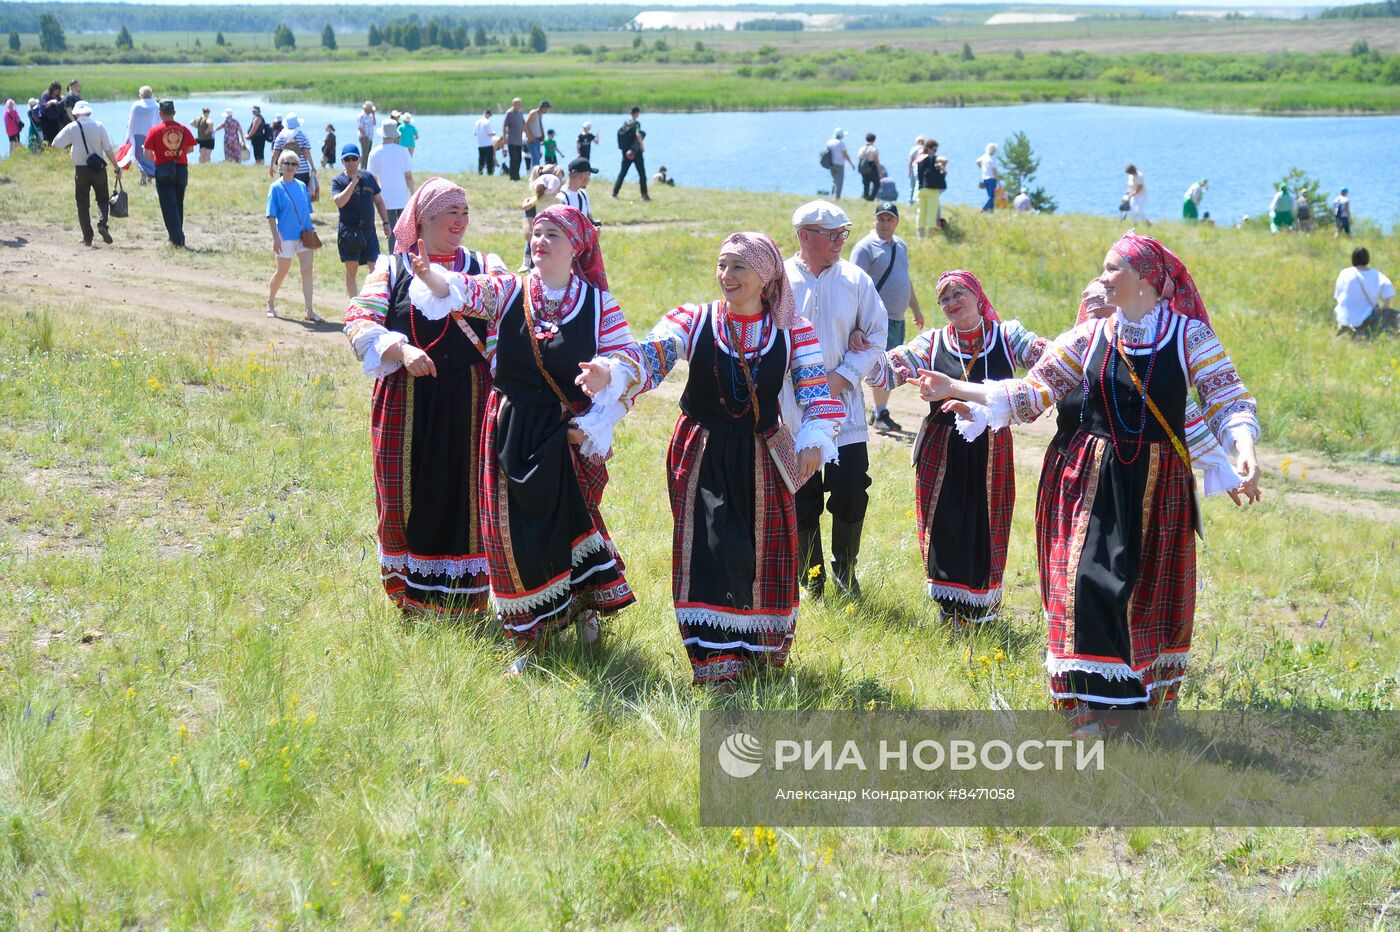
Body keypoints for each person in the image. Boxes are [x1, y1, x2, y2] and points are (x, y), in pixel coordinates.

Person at [919, 233, 1260, 736]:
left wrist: (1244, 448)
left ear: (1145, 278)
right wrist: (957, 387)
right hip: (1094, 477)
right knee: (1085, 582)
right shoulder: (1092, 336)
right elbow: (1034, 391)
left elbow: (1226, 398)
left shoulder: (1188, 337)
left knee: (1146, 589)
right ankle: (1086, 707)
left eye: (1110, 269)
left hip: (1159, 483)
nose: (1101, 280)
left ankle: (1135, 704)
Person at [419, 204, 646, 667]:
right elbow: (465, 292)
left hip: (569, 436)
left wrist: (607, 372)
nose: (539, 241)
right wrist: (432, 278)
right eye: (536, 233)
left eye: (551, 236)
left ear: (575, 247)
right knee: (508, 533)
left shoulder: (599, 303)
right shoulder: (510, 289)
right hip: (511, 427)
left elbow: (629, 360)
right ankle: (526, 636)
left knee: (575, 525)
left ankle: (585, 609)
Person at [627, 233, 844, 688]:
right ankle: (715, 659)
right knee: (710, 546)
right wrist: (618, 371)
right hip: (702, 449)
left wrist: (814, 439)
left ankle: (758, 655)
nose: (726, 276)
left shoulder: (792, 331)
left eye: (738, 267)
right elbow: (653, 352)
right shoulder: (695, 318)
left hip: (763, 455)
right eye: (722, 265)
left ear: (764, 278)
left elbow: (816, 395)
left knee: (762, 550)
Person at [342, 177, 509, 618]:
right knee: (405, 496)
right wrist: (400, 348)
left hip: (471, 400)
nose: (460, 221)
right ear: (424, 219)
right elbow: (358, 318)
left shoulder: (483, 264)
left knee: (467, 495)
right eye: (450, 213)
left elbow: (510, 314)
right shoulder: (392, 268)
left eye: (464, 212)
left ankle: (466, 601)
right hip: (407, 399)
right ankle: (410, 599)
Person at [867, 271, 1047, 627]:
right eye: (944, 299)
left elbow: (1050, 366)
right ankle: (950, 608)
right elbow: (886, 374)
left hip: (991, 444)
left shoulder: (1007, 336)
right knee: (943, 520)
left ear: (977, 295)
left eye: (958, 294)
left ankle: (983, 607)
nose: (951, 303)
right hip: (943, 445)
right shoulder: (932, 342)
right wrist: (863, 345)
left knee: (987, 520)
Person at [785, 200, 887, 598]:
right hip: (792, 410)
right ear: (805, 236)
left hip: (843, 410)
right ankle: (810, 578)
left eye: (844, 234)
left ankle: (845, 571)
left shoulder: (856, 280)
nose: (840, 242)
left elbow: (876, 336)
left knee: (850, 489)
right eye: (832, 235)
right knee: (801, 494)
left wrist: (842, 376)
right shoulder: (779, 280)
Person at [851, 202, 924, 433]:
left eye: (889, 219)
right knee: (878, 366)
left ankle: (879, 410)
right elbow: (852, 285)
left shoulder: (900, 246)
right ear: (874, 220)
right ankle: (879, 413)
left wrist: (916, 309)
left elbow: (905, 280)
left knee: (889, 365)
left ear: (896, 222)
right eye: (880, 219)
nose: (884, 223)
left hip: (897, 318)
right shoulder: (865, 248)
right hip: (875, 319)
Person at [51, 101, 121, 248]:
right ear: (89, 113)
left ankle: (87, 238)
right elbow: (108, 149)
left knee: (82, 204)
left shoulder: (72, 127)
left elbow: (55, 144)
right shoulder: (99, 126)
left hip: (81, 170)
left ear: (76, 114)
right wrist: (116, 166)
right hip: (99, 169)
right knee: (102, 199)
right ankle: (102, 224)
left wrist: (72, 146)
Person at [265, 150, 323, 323]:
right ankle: (270, 302)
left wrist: (310, 230)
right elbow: (271, 215)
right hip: (285, 236)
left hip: (304, 235)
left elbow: (307, 210)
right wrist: (276, 238)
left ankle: (309, 310)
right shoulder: (275, 187)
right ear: (280, 165)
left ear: (298, 167)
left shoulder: (301, 186)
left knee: (307, 271)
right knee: (282, 271)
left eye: (293, 164)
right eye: (286, 163)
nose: (290, 167)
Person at [331, 143, 391, 297]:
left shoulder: (369, 177)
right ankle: (354, 304)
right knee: (351, 271)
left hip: (369, 232)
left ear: (359, 159)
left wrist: (385, 223)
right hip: (350, 233)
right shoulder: (338, 181)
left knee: (375, 270)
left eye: (354, 158)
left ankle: (373, 302)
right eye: (347, 159)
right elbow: (339, 202)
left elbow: (378, 201)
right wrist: (353, 183)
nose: (351, 162)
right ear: (342, 161)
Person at [143, 99, 196, 247]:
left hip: (163, 169)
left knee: (168, 205)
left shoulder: (154, 130)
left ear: (160, 114)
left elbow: (147, 154)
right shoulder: (184, 129)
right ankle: (176, 236)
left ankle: (177, 239)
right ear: (174, 113)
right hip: (181, 169)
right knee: (178, 203)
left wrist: (160, 156)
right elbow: (191, 149)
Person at [1333, 246, 1395, 338]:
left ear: (1353, 259)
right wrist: (1385, 309)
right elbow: (1388, 288)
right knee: (1386, 313)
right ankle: (1370, 334)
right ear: (1367, 259)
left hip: (1343, 317)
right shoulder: (1376, 275)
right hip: (1365, 318)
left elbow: (1337, 296)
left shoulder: (1344, 273)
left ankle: (1348, 331)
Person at [367, 118, 414, 227]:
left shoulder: (374, 153)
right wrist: (413, 193)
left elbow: (372, 178)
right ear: (395, 134)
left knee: (391, 229)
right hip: (402, 197)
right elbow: (408, 176)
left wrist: (374, 196)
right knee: (403, 230)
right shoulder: (403, 151)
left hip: (384, 198)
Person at [520, 165, 564, 271]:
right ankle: (526, 261)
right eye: (559, 180)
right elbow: (528, 234)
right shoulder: (533, 201)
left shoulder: (558, 199)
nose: (561, 184)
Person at [270, 113, 317, 199]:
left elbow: (275, 152)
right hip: (302, 169)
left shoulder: (281, 135)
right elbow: (307, 152)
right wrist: (312, 166)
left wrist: (271, 166)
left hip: (285, 168)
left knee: (286, 193)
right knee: (302, 193)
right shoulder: (302, 135)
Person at [612, 106, 649, 201]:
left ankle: (615, 193)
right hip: (635, 152)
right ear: (636, 113)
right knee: (642, 174)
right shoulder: (636, 123)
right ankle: (644, 195)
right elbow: (638, 135)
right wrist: (642, 147)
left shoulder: (626, 123)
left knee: (622, 173)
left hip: (625, 152)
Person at [125, 86, 161, 181]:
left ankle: (144, 174)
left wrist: (128, 135)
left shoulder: (136, 105)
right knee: (150, 156)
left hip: (138, 134)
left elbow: (130, 120)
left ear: (141, 95)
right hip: (151, 134)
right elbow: (159, 120)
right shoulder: (156, 105)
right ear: (151, 94)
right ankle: (149, 176)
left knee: (139, 157)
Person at [912, 139, 944, 238]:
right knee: (932, 213)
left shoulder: (918, 159)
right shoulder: (932, 158)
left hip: (921, 189)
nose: (935, 152)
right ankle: (931, 235)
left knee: (921, 213)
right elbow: (945, 160)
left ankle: (920, 236)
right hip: (932, 189)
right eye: (934, 150)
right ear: (929, 148)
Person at [558, 156, 597, 221]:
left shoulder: (583, 194)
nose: (589, 179)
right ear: (583, 176)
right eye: (589, 174)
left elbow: (589, 220)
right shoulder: (561, 197)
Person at [823, 128, 855, 200]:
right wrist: (851, 164)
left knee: (834, 180)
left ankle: (833, 195)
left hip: (831, 164)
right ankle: (837, 198)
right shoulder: (841, 144)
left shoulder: (829, 142)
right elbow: (845, 155)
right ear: (841, 136)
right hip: (839, 164)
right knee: (840, 181)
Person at [503, 98, 526, 181]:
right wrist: (505, 137)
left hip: (519, 140)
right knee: (513, 158)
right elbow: (504, 125)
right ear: (513, 104)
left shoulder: (520, 112)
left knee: (519, 158)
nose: (519, 105)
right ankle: (512, 176)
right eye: (517, 104)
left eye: (520, 104)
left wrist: (528, 135)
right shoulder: (509, 113)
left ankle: (517, 175)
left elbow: (524, 125)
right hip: (512, 140)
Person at [524, 99, 549, 170]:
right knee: (535, 158)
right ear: (543, 107)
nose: (547, 110)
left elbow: (540, 126)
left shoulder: (540, 115)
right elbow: (526, 125)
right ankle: (534, 175)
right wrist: (530, 136)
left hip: (538, 140)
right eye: (547, 108)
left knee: (537, 157)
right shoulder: (534, 113)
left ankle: (536, 174)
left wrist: (543, 137)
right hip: (532, 139)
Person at [856, 133, 881, 202]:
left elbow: (859, 157)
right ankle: (871, 198)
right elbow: (876, 161)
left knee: (866, 184)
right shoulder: (873, 149)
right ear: (874, 140)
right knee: (877, 184)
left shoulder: (861, 148)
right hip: (872, 168)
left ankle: (865, 197)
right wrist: (880, 171)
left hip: (863, 167)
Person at [977, 144, 1000, 212]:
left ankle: (991, 210)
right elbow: (994, 170)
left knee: (990, 195)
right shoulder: (993, 158)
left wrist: (981, 167)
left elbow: (977, 161)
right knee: (992, 196)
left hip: (984, 177)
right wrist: (998, 180)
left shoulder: (985, 156)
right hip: (992, 178)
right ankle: (984, 208)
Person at [474, 109, 496, 175]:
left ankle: (480, 172)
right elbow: (490, 133)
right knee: (489, 160)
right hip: (488, 144)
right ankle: (490, 173)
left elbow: (475, 133)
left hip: (480, 144)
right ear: (487, 114)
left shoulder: (477, 122)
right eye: (489, 115)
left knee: (481, 159)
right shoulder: (487, 121)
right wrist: (494, 133)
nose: (489, 117)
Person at [906, 135, 925, 206]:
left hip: (914, 167)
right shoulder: (924, 149)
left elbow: (910, 161)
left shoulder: (913, 149)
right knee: (918, 184)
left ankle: (910, 201)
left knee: (912, 186)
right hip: (921, 169)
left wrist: (909, 171)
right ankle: (916, 199)